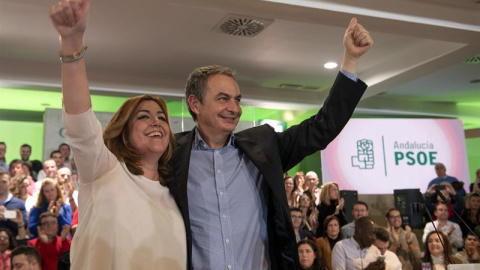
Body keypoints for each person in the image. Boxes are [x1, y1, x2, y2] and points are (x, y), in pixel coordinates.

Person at [168, 15, 372, 269]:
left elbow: (322, 127)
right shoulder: (169, 155)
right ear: (194, 104)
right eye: (223, 99)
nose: (234, 108)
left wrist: (350, 60)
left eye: (237, 99)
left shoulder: (263, 147)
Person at [49, 1, 187, 269]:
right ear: (123, 132)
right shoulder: (104, 170)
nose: (156, 122)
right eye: (144, 116)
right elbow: (79, 123)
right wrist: (72, 42)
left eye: (161, 117)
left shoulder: (175, 194)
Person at [0, 172, 28, 238]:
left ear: (10, 184)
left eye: (4, 182)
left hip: (13, 243)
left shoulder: (19, 203)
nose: (0, 185)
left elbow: (24, 226)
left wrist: (6, 214)